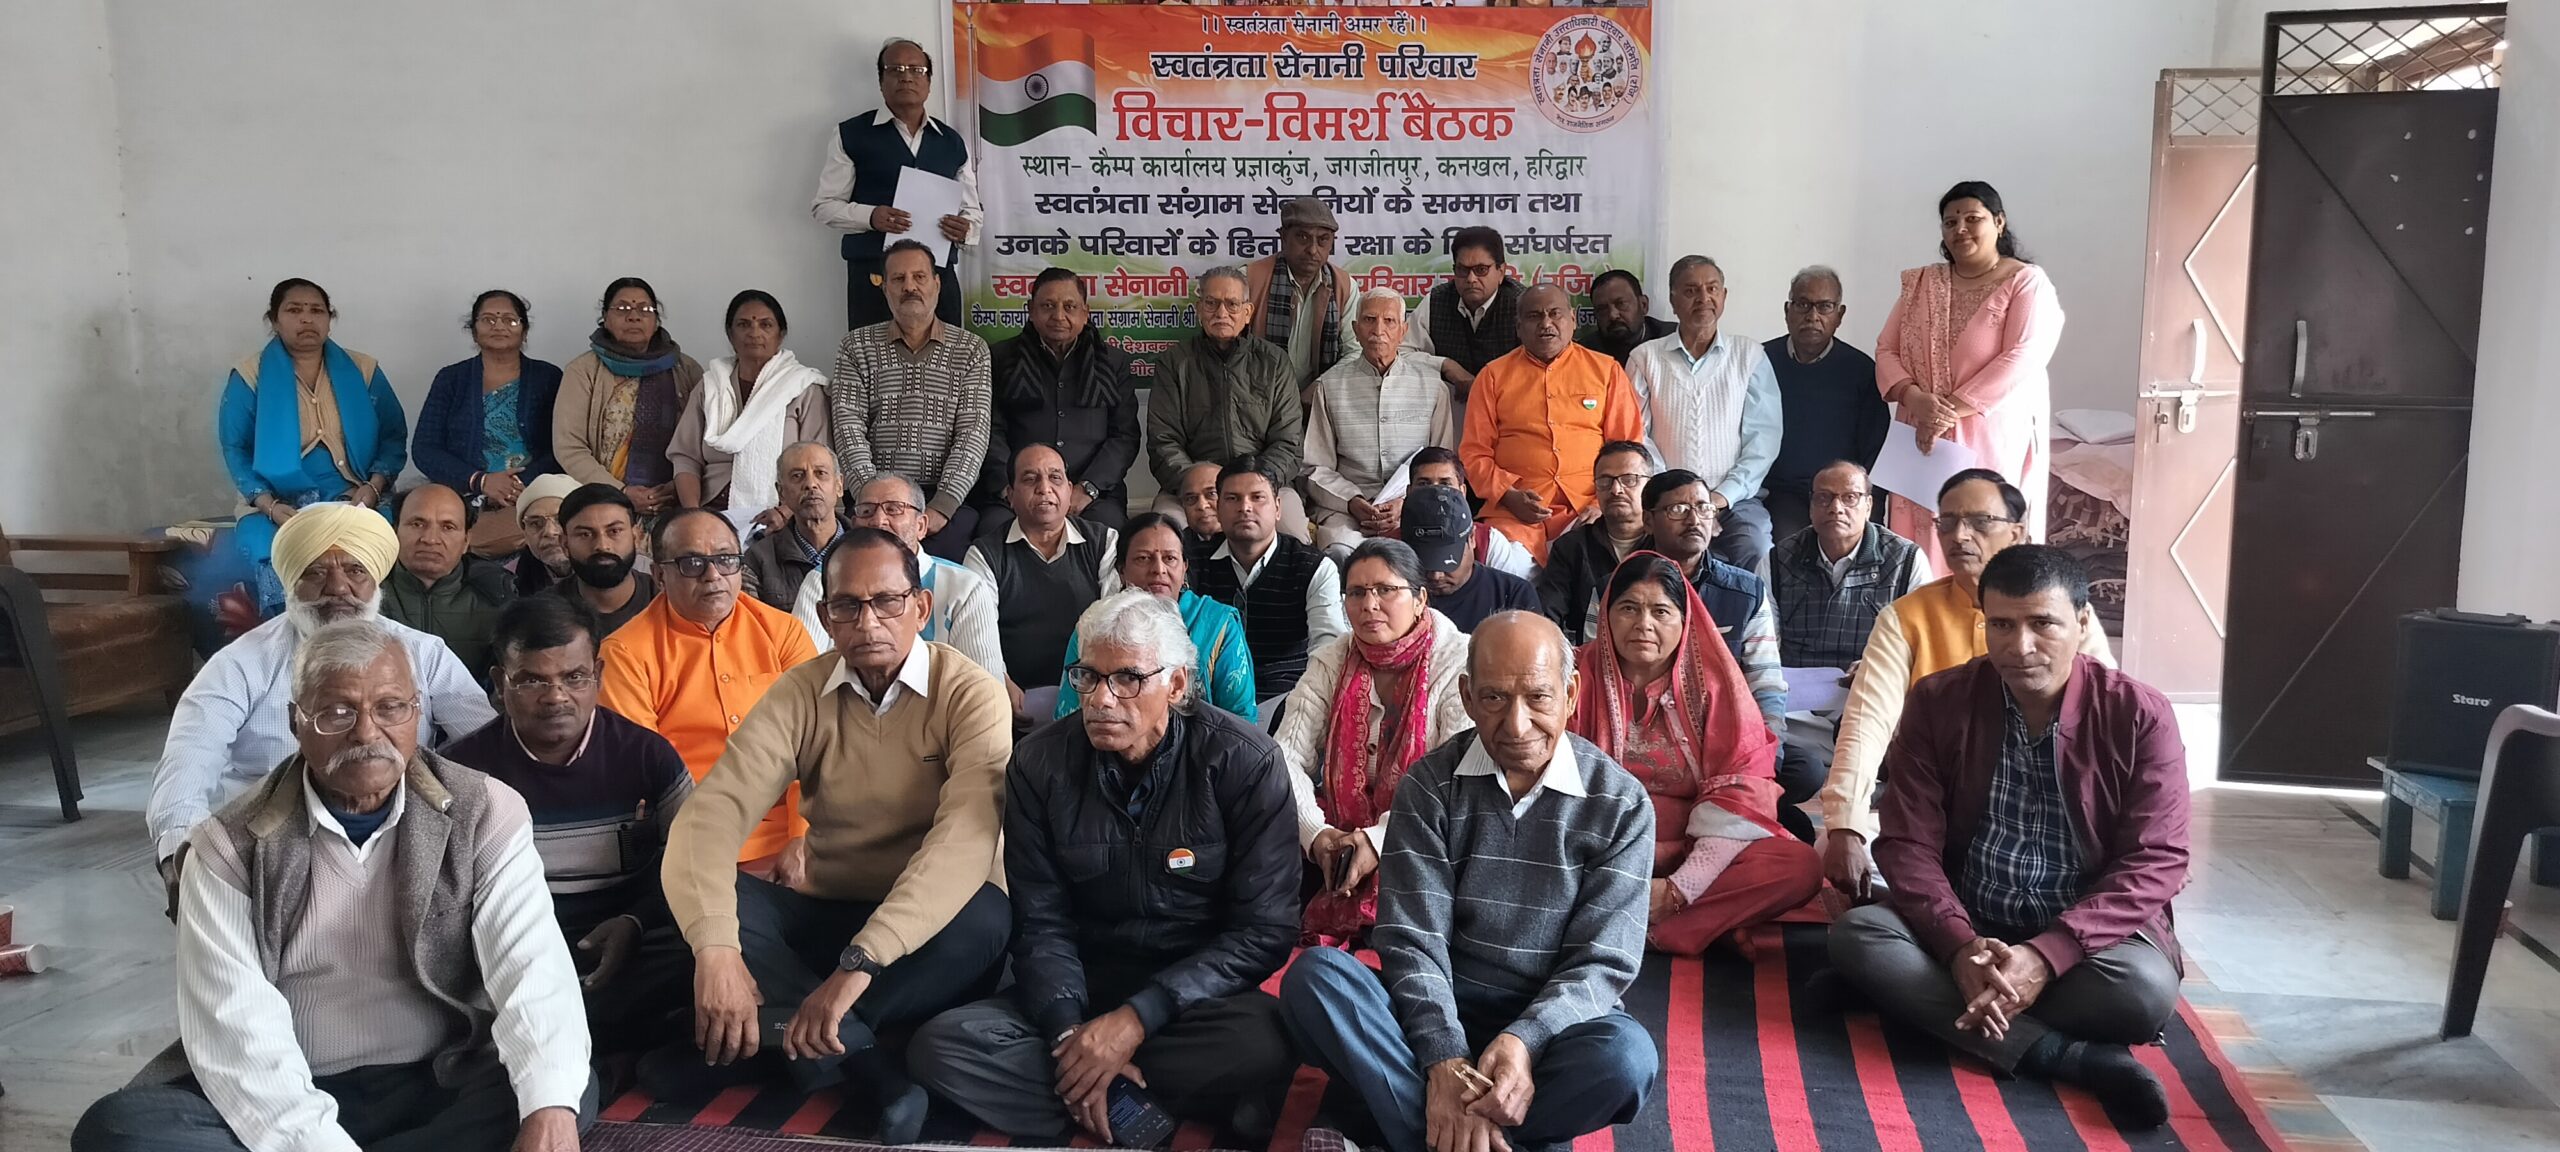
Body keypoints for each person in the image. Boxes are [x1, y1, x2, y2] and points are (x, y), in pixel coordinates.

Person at [78, 620, 590, 1152]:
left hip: (439, 1075)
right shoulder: (227, 846)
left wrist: (548, 1108)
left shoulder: (484, 811)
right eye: (337, 712)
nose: (367, 733)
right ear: (295, 722)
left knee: (556, 1091)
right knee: (120, 1128)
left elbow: (531, 965)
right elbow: (237, 1028)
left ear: (417, 714)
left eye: (390, 708)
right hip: (292, 1077)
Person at [909, 591, 1300, 1143]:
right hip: (1082, 985)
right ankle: (1128, 1097)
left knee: (1267, 1039)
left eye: (1127, 679)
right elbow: (1040, 922)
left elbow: (1265, 930)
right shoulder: (1039, 763)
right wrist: (1070, 1034)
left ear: (1177, 685)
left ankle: (1089, 1093)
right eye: (1087, 677)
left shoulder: (1244, 761)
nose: (1100, 699)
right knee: (942, 1046)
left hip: (1192, 995)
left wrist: (1136, 1020)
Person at [663, 530, 1012, 1142]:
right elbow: (712, 815)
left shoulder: (969, 694)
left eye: (887, 602)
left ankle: (771, 1040)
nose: (868, 622)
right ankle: (867, 1063)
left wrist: (859, 965)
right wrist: (715, 950)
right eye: (848, 605)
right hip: (827, 909)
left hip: (922, 937)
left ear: (921, 608)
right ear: (826, 618)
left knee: (987, 914)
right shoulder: (801, 692)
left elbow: (962, 843)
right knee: (705, 894)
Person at [1829, 547, 2187, 1130]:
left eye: (2043, 623)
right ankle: (2066, 1056)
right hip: (1968, 917)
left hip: (2084, 941)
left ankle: (1918, 1001)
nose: (2020, 646)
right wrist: (1958, 946)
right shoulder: (1939, 700)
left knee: (2142, 994)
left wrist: (2047, 956)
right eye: (2001, 625)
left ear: (2082, 622)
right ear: (1983, 623)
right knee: (1859, 935)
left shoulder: (2138, 714)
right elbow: (1907, 842)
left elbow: (2157, 859)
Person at [1279, 612, 1658, 1152]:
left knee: (1625, 1059)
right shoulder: (1429, 786)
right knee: (1316, 979)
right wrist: (1444, 1057)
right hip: (1432, 1012)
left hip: (1545, 1029)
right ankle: (1489, 1134)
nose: (1518, 725)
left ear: (1571, 694)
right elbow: (1413, 941)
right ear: (1467, 696)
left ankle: (1416, 1128)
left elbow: (1602, 963)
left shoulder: (1620, 804)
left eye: (1538, 698)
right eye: (1495, 698)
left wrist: (1525, 1040)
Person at [1817, 468, 2115, 902]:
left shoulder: (2062, 610)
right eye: (1948, 522)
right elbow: (1867, 723)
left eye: (1979, 522)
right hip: (1937, 807)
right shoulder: (1907, 617)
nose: (1959, 536)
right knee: (1840, 856)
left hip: (2053, 805)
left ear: (2017, 532)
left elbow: (2108, 715)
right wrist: (1846, 824)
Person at [146, 506, 496, 876]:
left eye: (355, 570)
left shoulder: (424, 654)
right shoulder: (240, 664)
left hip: (402, 839)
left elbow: (490, 745)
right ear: (290, 582)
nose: (338, 588)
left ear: (376, 582)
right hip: (267, 845)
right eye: (315, 572)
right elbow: (187, 763)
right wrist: (178, 856)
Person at [440, 595, 697, 1055]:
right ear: (499, 683)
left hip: (627, 942)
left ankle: (575, 1040)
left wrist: (636, 922)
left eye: (574, 677)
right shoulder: (461, 774)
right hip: (512, 953)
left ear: (598, 675)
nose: (556, 696)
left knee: (710, 944)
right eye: (532, 680)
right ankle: (601, 1044)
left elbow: (694, 867)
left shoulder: (648, 756)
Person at [1570, 554, 1823, 955]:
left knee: (1798, 867)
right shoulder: (1572, 676)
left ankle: (1650, 925)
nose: (1643, 624)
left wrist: (1678, 888)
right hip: (1599, 843)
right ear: (1607, 614)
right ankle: (1703, 926)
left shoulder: (1714, 683)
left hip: (1695, 847)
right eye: (1629, 608)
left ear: (1684, 619)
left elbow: (1741, 790)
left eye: (1660, 612)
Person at [600, 508, 818, 884]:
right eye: (692, 563)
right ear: (660, 575)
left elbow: (817, 746)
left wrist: (803, 838)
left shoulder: (783, 633)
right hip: (694, 844)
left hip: (796, 833)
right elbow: (645, 776)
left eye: (725, 559)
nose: (713, 575)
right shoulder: (625, 653)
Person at [1275, 539, 1471, 946]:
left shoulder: (1457, 660)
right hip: (1336, 836)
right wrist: (1317, 836)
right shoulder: (1332, 660)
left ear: (1420, 599)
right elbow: (1285, 758)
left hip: (1428, 840)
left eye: (1385, 590)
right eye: (1356, 593)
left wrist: (1377, 841)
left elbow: (1455, 781)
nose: (1369, 605)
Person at [1876, 181, 2066, 567]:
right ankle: (1923, 606)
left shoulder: (2025, 281)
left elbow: (2024, 356)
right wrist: (1915, 399)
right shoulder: (1923, 284)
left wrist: (1946, 413)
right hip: (1918, 429)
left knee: (1980, 529)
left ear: (1999, 222)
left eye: (1972, 218)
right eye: (1950, 222)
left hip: (1985, 432)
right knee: (1917, 540)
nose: (1960, 229)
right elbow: (1885, 349)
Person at [218, 278, 408, 614]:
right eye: (294, 310)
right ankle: (292, 638)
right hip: (276, 502)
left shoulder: (363, 369)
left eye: (317, 311)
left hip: (355, 496)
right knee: (271, 552)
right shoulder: (249, 376)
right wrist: (270, 506)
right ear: (274, 320)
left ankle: (370, 640)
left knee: (380, 543)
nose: (307, 318)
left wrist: (373, 488)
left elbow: (393, 436)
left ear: (329, 319)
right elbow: (236, 448)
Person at [831, 239, 994, 559]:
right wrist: (876, 506)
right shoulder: (855, 346)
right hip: (873, 500)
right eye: (898, 279)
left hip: (942, 501)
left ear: (937, 284)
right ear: (884, 288)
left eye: (919, 277)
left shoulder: (971, 350)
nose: (910, 287)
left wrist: (941, 508)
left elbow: (972, 435)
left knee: (943, 575)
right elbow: (848, 428)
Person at [1461, 284, 1644, 565]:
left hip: (1588, 510)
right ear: (1518, 327)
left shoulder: (1607, 371)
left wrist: (1600, 503)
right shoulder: (1492, 376)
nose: (1546, 323)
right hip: (1514, 514)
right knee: (1505, 570)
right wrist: (1508, 495)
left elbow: (1628, 451)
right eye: (1534, 316)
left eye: (1554, 313)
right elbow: (1474, 453)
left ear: (1573, 319)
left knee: (1597, 572)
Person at [1626, 255, 1781, 573]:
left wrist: (1719, 498)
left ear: (1724, 295)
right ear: (1672, 300)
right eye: (1691, 290)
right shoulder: (1644, 358)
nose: (1703, 298)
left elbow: (1763, 441)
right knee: (1651, 563)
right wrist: (1677, 498)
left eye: (1712, 289)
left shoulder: (1749, 356)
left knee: (1756, 549)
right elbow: (1637, 436)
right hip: (1666, 502)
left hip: (1735, 500)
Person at [813, 36, 977, 328]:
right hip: (875, 275)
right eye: (896, 70)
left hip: (936, 275)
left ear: (929, 82)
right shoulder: (852, 134)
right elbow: (824, 206)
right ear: (881, 81)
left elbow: (972, 211)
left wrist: (965, 229)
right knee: (873, 351)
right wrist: (871, 217)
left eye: (916, 70)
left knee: (946, 350)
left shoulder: (951, 142)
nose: (907, 77)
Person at [795, 470, 1008, 686]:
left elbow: (986, 689)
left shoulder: (964, 587)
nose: (878, 521)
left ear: (921, 526)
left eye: (893, 509)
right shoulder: (821, 581)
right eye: (867, 511)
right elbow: (802, 676)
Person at [1145, 266, 1310, 540]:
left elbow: (1289, 443)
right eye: (1212, 303)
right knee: (1164, 536)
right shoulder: (1174, 363)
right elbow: (1163, 441)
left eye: (1232, 304)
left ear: (1247, 312)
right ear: (1199, 309)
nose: (1221, 313)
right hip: (1192, 487)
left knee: (1295, 538)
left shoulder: (1274, 362)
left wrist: (1251, 484)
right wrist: (1203, 488)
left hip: (1262, 483)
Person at [980, 267, 1141, 535]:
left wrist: (1087, 488)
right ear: (1031, 310)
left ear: (1085, 313)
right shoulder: (1000, 358)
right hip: (1017, 490)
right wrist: (1012, 489)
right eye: (1048, 306)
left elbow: (1124, 436)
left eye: (1069, 307)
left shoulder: (1113, 362)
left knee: (1106, 532)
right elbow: (989, 431)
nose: (1058, 316)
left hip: (1092, 492)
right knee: (994, 530)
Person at [966, 443, 1118, 721]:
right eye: (1029, 479)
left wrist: (1093, 689)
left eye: (1055, 478)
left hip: (1091, 697)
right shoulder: (984, 555)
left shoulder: (1104, 543)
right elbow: (977, 635)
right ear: (1010, 495)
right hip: (1011, 702)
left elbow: (1114, 627)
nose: (1044, 488)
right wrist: (999, 683)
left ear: (1069, 490)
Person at [1304, 288, 1462, 556]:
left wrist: (1406, 501)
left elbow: (1442, 463)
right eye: (1369, 320)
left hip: (1415, 504)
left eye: (1389, 321)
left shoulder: (1433, 386)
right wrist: (1352, 500)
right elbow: (1314, 467)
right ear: (1356, 329)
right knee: (1341, 553)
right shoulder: (1330, 386)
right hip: (1347, 509)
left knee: (1425, 555)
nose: (1379, 330)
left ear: (1403, 331)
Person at [1056, 512, 1256, 721]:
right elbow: (1069, 716)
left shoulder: (1217, 624)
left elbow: (1240, 719)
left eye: (1170, 558)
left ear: (1184, 568)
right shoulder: (1095, 626)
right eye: (1143, 558)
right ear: (1121, 570)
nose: (1159, 569)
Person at [411, 288, 564, 560]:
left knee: (545, 527)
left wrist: (518, 484)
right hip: (465, 492)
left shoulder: (548, 377)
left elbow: (564, 444)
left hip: (532, 492)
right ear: (474, 331)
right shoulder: (451, 379)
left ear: (524, 331)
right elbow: (425, 448)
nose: (499, 326)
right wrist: (481, 481)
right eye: (488, 319)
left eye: (510, 320)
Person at [1190, 456, 1347, 701]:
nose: (1245, 507)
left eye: (1257, 497)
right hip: (1213, 697)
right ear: (1218, 508)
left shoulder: (1313, 567)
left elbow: (1328, 650)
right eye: (1232, 498)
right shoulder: (1193, 563)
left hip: (1289, 695)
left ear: (1278, 508)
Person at [671, 290, 830, 522]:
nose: (754, 333)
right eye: (744, 325)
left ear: (781, 334)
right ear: (730, 334)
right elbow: (686, 458)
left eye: (766, 325)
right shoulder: (711, 386)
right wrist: (694, 515)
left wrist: (784, 513)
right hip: (711, 511)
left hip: (784, 514)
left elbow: (820, 465)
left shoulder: (803, 388)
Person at [553, 277, 704, 519]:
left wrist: (677, 486)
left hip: (674, 502)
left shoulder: (687, 369)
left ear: (656, 320)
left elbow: (703, 442)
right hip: (603, 504)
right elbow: (569, 446)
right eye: (622, 308)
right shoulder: (583, 371)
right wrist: (620, 492)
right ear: (605, 318)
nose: (634, 316)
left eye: (644, 309)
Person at [1763, 266, 1887, 544]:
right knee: (1788, 548)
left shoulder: (1861, 370)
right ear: (1787, 310)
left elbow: (1874, 449)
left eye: (1825, 307)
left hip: (1839, 495)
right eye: (1803, 304)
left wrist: (1867, 507)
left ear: (1839, 315)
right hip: (1778, 493)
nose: (1812, 316)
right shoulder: (1761, 361)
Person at [1770, 461, 1928, 669]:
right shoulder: (1778, 559)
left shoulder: (1906, 560)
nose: (1836, 508)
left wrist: (1880, 668)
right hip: (1794, 679)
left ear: (1869, 505)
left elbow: (1920, 643)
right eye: (1823, 498)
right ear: (1811, 506)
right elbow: (1765, 646)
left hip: (1875, 676)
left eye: (1850, 497)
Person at [382, 484, 515, 685]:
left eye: (448, 527)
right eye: (417, 524)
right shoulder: (366, 592)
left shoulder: (499, 596)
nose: (430, 539)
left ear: (466, 541)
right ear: (395, 531)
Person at [1539, 440, 1654, 644]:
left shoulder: (1665, 543)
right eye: (1605, 481)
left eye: (1629, 480)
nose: (1616, 489)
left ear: (1650, 486)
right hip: (1588, 656)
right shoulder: (1572, 547)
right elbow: (1547, 616)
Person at [1241, 195, 1359, 393]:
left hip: (1320, 398)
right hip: (1256, 396)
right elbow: (1229, 348)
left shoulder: (1345, 286)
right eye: (1303, 237)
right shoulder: (1248, 280)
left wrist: (1318, 389)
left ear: (1332, 243)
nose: (1312, 250)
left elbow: (1353, 353)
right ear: (1283, 237)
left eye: (1322, 240)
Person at [1401, 483, 1539, 634]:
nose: (1436, 575)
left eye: (1449, 561)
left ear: (1472, 538)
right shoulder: (1393, 597)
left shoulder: (1513, 596)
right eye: (1425, 561)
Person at [1402, 225, 1524, 396]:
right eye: (1463, 270)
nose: (1471, 279)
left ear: (1501, 271)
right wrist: (1445, 365)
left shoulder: (1524, 304)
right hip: (1450, 407)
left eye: (1481, 270)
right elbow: (1401, 352)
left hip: (1510, 402)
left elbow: (1541, 362)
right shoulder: (1437, 300)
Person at [743, 441, 847, 612]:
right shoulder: (758, 559)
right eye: (797, 476)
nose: (811, 484)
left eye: (821, 473)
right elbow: (752, 624)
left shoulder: (869, 549)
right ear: (781, 493)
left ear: (839, 485)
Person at [1403, 447, 1533, 579]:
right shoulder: (1394, 542)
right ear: (1409, 492)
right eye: (1424, 484)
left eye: (1445, 484)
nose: (1435, 492)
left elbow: (1507, 589)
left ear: (1462, 491)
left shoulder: (1489, 541)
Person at [551, 483, 657, 637]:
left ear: (636, 537)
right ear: (565, 544)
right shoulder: (543, 614)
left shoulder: (670, 602)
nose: (602, 546)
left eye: (614, 531)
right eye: (585, 534)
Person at [1576, 268, 1676, 366]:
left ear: (1643, 305)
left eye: (1621, 304)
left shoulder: (1673, 338)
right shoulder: (1584, 353)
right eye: (1602, 309)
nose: (1613, 315)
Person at [510, 472, 581, 597]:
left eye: (561, 520)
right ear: (525, 534)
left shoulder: (613, 569)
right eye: (535, 523)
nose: (549, 531)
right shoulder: (509, 581)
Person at [1170, 459, 1225, 555]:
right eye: (1191, 498)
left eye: (1212, 494)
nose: (1202, 506)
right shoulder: (1174, 547)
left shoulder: (1250, 543)